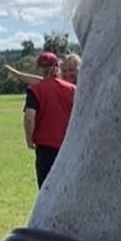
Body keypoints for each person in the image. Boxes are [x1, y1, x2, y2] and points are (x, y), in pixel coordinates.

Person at [22, 51, 75, 187]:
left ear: (39, 68)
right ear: (56, 67)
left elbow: (29, 117)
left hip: (45, 150)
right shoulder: (72, 89)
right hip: (68, 147)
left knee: (46, 189)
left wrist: (29, 140)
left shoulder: (35, 90)